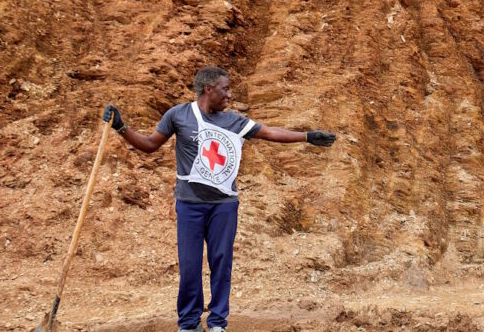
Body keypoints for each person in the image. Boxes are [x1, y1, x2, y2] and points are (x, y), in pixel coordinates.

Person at [102, 66, 336, 332]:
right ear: (208, 89)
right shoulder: (178, 115)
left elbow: (269, 132)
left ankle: (217, 323)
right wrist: (121, 127)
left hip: (224, 205)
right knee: (190, 265)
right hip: (189, 204)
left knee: (221, 262)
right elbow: (150, 144)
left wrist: (306, 137)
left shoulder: (234, 121)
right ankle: (189, 323)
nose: (229, 94)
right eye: (225, 89)